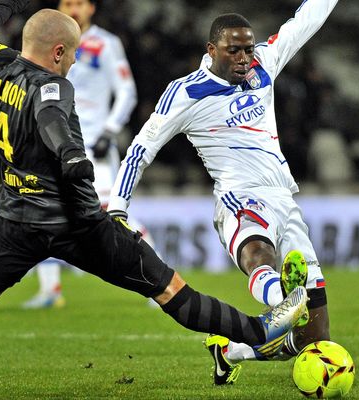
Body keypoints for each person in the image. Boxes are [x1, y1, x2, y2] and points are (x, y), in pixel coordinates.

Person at [0, 2, 308, 399]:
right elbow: (51, 120)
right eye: (74, 54)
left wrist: (10, 6)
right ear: (58, 52)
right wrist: (75, 163)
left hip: (13, 222)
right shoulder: (54, 86)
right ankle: (258, 331)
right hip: (74, 224)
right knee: (171, 291)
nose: (76, 62)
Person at [108, 0, 337, 385]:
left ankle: (231, 350)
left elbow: (304, 22)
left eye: (248, 48)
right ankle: (279, 293)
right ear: (211, 50)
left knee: (314, 340)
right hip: (238, 196)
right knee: (257, 249)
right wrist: (117, 208)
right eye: (234, 49)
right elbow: (140, 149)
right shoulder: (187, 93)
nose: (245, 57)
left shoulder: (262, 65)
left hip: (285, 199)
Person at [22, 0, 144, 309]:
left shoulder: (105, 43)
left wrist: (110, 130)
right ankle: (51, 290)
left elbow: (127, 91)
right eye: (66, 3)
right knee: (41, 207)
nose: (72, 8)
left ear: (91, 8)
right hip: (51, 142)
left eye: (78, 3)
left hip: (92, 144)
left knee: (111, 213)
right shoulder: (47, 41)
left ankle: (154, 276)